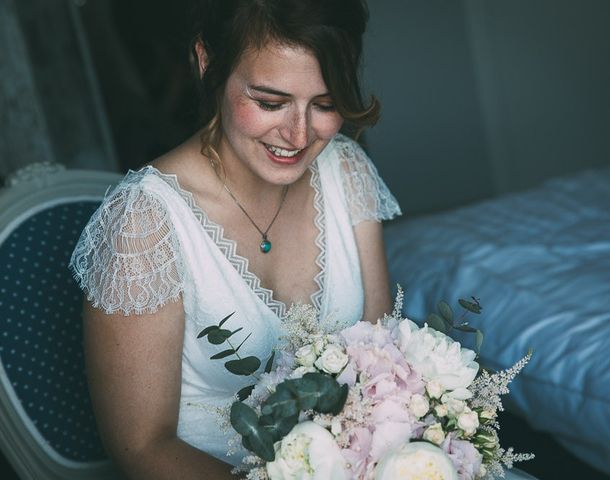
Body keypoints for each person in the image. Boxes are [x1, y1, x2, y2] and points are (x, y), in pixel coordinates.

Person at [69, 0, 401, 478]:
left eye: (325, 104)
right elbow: (141, 446)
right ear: (208, 63)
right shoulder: (143, 225)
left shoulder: (345, 169)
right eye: (269, 102)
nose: (299, 134)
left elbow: (382, 368)